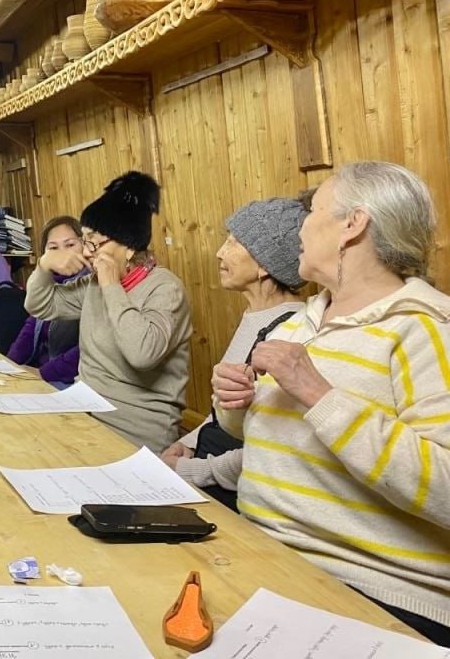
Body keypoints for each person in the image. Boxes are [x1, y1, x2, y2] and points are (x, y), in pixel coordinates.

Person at [214, 162, 450, 645]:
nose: (300, 228)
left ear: (352, 224)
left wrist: (319, 394)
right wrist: (235, 403)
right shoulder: (298, 323)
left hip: (371, 588)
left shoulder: (424, 330)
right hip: (263, 554)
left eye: (313, 211)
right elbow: (258, 437)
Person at [25, 171, 191, 453]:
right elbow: (41, 304)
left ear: (129, 248)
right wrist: (44, 266)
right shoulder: (94, 284)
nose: (87, 251)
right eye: (85, 241)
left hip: (134, 431)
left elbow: (142, 353)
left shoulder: (166, 289)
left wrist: (112, 285)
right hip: (83, 412)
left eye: (95, 242)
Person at [159, 197, 308, 509]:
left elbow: (273, 446)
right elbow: (221, 412)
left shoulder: (291, 333)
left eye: (234, 242)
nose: (219, 252)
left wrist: (194, 470)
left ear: (265, 264)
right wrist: (187, 444)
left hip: (237, 494)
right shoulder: (255, 316)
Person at [7, 216, 83, 386]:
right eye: (53, 248)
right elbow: (30, 328)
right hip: (40, 371)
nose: (62, 253)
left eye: (70, 245)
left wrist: (43, 373)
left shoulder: (92, 282)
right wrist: (9, 366)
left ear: (85, 245)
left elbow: (87, 350)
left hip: (69, 377)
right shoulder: (46, 282)